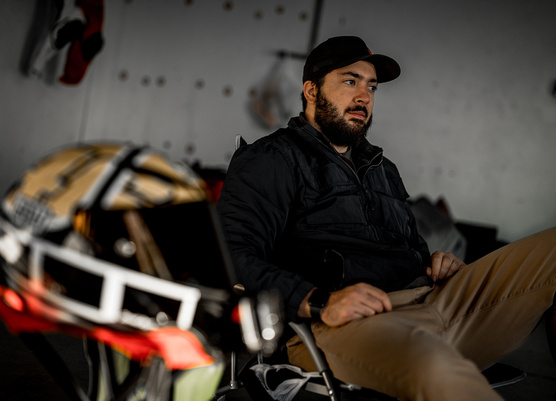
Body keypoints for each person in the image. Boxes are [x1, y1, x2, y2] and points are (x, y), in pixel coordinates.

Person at [216, 36, 556, 400]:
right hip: (345, 325)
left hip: (435, 302)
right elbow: (230, 256)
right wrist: (319, 302)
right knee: (436, 370)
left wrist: (435, 262)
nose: (364, 96)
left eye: (371, 86)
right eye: (350, 81)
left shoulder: (383, 168)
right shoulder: (273, 159)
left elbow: (412, 247)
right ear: (311, 91)